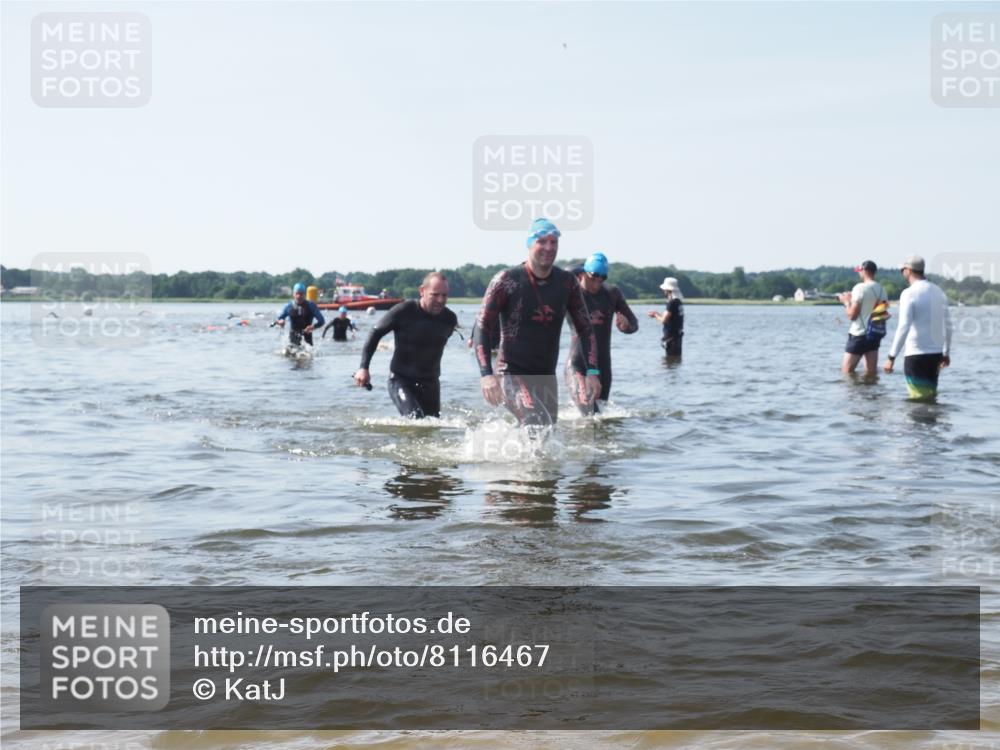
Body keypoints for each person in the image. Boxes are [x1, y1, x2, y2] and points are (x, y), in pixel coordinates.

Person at [474, 217, 600, 426]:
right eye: (542, 241)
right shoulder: (507, 280)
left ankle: (511, 457)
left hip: (546, 376)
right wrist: (486, 375)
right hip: (511, 373)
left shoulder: (567, 283)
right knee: (534, 420)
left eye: (554, 242)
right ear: (529, 244)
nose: (549, 248)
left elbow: (585, 329)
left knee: (547, 433)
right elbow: (482, 326)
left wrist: (593, 372)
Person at [353, 272, 458, 418]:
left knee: (433, 427)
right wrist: (363, 368)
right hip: (401, 380)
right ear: (422, 291)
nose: (440, 300)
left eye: (444, 295)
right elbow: (375, 333)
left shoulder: (449, 319)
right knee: (415, 418)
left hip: (431, 383)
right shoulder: (404, 311)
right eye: (435, 295)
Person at [566, 252, 639, 415]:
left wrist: (626, 326)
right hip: (578, 363)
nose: (596, 283)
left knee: (599, 416)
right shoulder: (571, 294)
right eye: (593, 278)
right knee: (588, 412)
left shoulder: (611, 293)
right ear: (582, 273)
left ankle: (600, 442)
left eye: (602, 279)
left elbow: (634, 323)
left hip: (603, 366)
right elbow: (561, 274)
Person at [884, 255, 952, 400]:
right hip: (936, 354)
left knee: (918, 401)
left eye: (902, 269)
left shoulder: (909, 293)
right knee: (930, 397)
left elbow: (904, 326)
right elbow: (948, 326)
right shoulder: (939, 292)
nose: (902, 272)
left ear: (908, 270)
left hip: (916, 355)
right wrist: (946, 352)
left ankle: (918, 422)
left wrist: (891, 356)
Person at [838, 260, 890, 376]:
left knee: (846, 373)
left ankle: (856, 394)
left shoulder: (859, 288)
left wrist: (846, 302)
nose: (859, 273)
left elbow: (852, 315)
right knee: (871, 373)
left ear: (864, 270)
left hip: (859, 335)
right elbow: (882, 313)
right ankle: (870, 393)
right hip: (874, 335)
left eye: (859, 271)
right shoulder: (882, 289)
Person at [647, 277, 684, 357]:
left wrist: (654, 315)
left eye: (664, 289)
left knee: (669, 363)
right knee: (675, 362)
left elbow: (663, 320)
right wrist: (657, 313)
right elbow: (670, 319)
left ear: (668, 290)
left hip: (672, 339)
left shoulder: (671, 303)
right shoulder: (678, 302)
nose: (663, 291)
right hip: (677, 337)